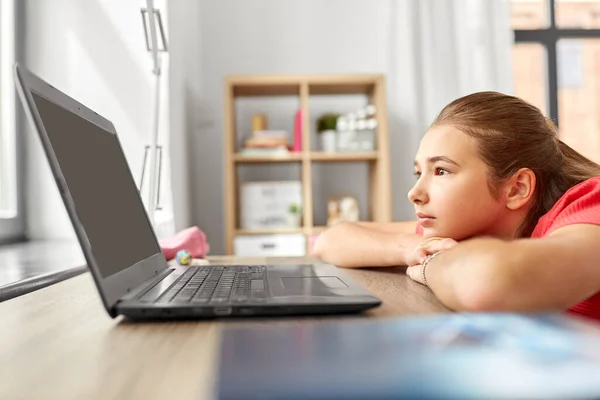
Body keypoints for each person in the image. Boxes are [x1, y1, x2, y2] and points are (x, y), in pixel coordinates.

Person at [312, 91, 600, 321]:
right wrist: (411, 249)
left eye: (441, 171)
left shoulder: (590, 207)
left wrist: (428, 265)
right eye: (418, 173)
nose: (415, 192)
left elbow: (488, 282)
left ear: (517, 188)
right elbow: (329, 240)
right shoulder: (472, 229)